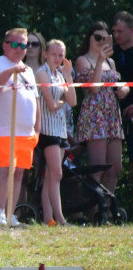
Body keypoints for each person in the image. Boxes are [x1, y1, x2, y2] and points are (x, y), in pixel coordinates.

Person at [0, 28, 40, 226]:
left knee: (19, 173)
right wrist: (10, 72)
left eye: (23, 45)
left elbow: (36, 100)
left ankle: (10, 214)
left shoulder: (29, 71)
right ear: (5, 45)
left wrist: (37, 129)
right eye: (15, 44)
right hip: (3, 129)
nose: (19, 49)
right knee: (6, 167)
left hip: (26, 132)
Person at [74, 21, 129, 200]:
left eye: (104, 38)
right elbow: (94, 89)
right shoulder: (83, 60)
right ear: (89, 38)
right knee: (97, 167)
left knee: (115, 166)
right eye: (97, 37)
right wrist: (98, 61)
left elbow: (117, 83)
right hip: (94, 115)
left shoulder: (111, 62)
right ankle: (93, 210)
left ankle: (108, 206)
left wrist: (124, 89)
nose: (101, 41)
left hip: (112, 114)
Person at [36, 39, 77, 226]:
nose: (57, 58)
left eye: (61, 55)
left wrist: (68, 77)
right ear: (45, 54)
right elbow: (52, 105)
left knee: (52, 176)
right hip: (47, 129)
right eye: (54, 54)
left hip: (60, 130)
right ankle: (60, 218)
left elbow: (73, 101)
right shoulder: (42, 73)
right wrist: (63, 101)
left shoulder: (60, 75)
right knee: (57, 173)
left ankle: (48, 219)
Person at [110, 12, 133, 186]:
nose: (116, 35)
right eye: (114, 31)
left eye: (120, 31)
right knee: (111, 165)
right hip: (113, 114)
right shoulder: (112, 52)